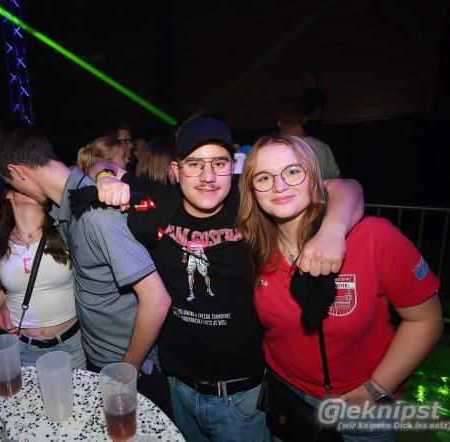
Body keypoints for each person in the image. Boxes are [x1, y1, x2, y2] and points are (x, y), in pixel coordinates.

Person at [87, 116, 364, 441]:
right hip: (178, 388)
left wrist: (332, 231)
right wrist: (106, 178)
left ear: (233, 167)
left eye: (218, 163)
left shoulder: (251, 205)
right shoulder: (158, 203)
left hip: (241, 396)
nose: (207, 177)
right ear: (175, 170)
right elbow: (101, 164)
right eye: (195, 164)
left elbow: (347, 187)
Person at [236, 135, 443, 441]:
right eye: (264, 177)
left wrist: (376, 389)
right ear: (252, 190)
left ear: (316, 177)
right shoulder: (254, 249)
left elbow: (426, 320)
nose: (279, 185)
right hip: (285, 398)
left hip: (362, 405)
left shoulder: (374, 238)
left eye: (292, 171)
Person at [0, 120, 172, 410]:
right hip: (97, 360)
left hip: (125, 368)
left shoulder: (95, 214)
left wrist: (127, 371)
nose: (12, 189)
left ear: (17, 172)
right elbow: (96, 166)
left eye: (9, 182)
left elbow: (157, 299)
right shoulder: (69, 201)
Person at [0, 188, 86, 369]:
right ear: (8, 193)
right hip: (23, 350)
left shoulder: (64, 230)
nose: (30, 185)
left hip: (71, 346)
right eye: (22, 183)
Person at [277, 99, 341, 179]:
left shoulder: (272, 150)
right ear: (304, 119)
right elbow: (338, 180)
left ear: (279, 123)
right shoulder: (323, 146)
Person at [299, 68, 326, 135]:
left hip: (313, 130)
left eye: (308, 78)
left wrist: (299, 117)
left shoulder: (319, 95)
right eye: (305, 79)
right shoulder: (303, 95)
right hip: (302, 129)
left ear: (314, 79)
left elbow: (316, 116)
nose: (306, 81)